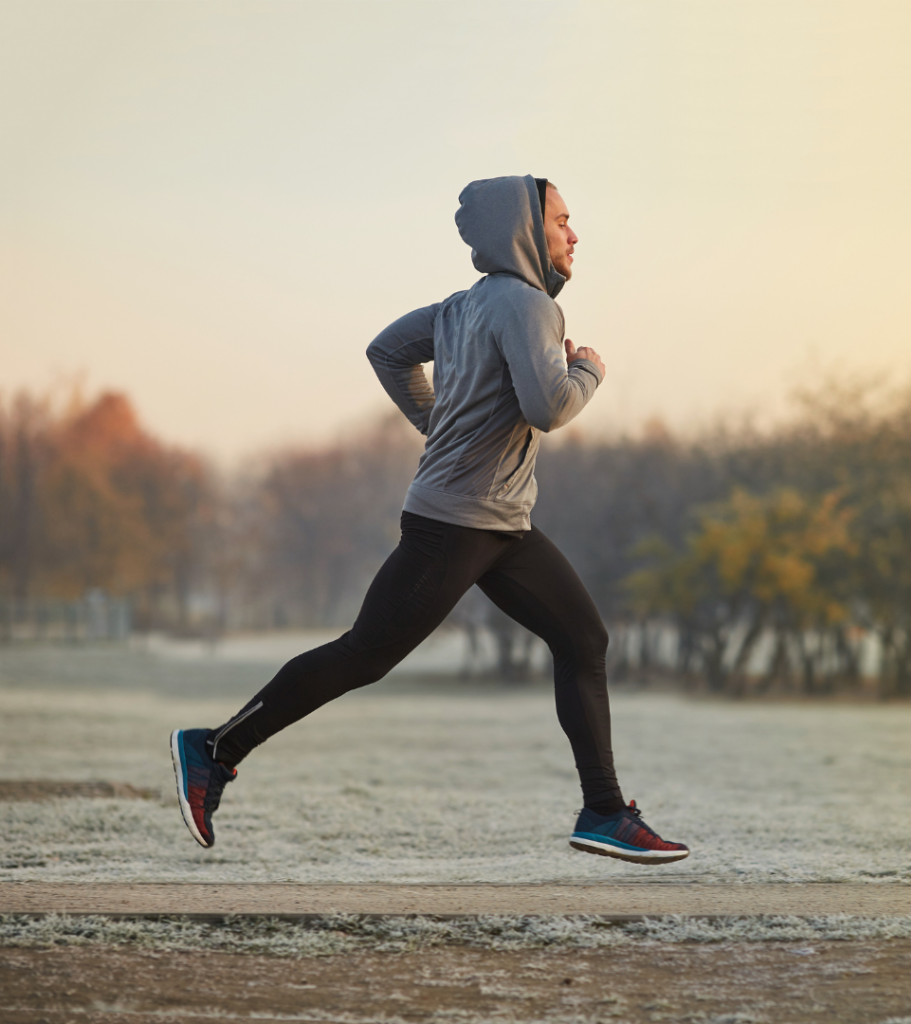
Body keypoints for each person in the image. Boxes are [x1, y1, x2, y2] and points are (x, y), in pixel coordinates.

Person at [170, 175, 689, 866]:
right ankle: (213, 750)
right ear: (526, 231)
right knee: (365, 653)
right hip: (457, 524)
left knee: (583, 638)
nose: (574, 233)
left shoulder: (464, 306)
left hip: (502, 525)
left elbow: (386, 349)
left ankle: (603, 811)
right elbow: (549, 407)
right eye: (563, 220)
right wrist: (589, 371)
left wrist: (435, 421)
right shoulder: (530, 308)